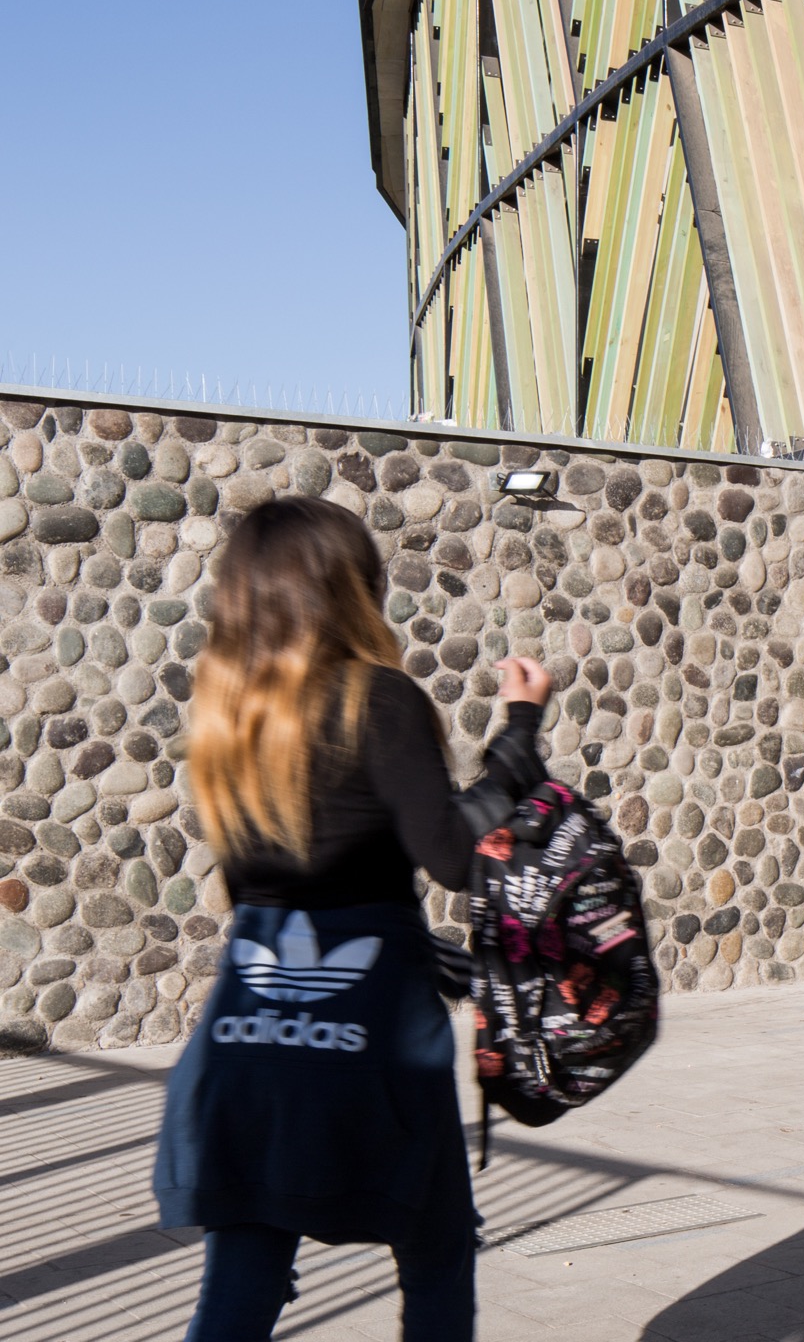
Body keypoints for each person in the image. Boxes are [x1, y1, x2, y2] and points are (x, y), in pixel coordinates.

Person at [155, 493, 552, 1341]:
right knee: (435, 1247)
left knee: (247, 1265)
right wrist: (517, 739)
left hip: (250, 1036)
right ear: (350, 589)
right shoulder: (379, 699)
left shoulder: (227, 717)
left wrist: (410, 946)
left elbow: (268, 890)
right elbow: (451, 857)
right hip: (368, 1045)